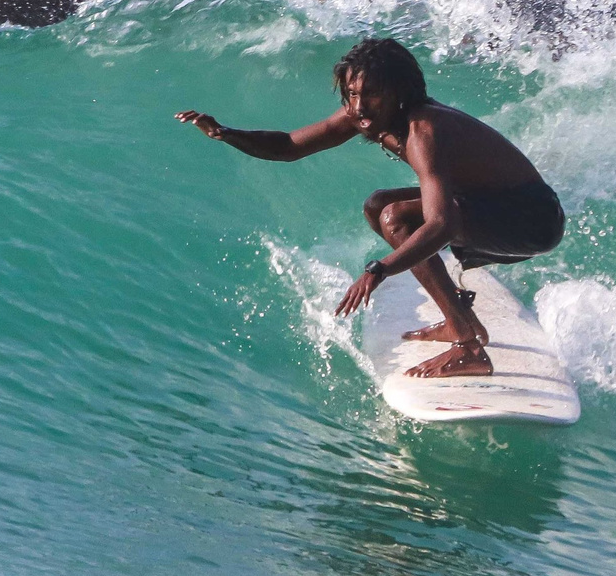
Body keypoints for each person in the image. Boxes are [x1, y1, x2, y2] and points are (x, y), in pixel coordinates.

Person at [179, 37, 564, 379]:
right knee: (379, 204)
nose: (359, 107)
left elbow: (442, 224)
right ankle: (459, 321)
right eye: (351, 94)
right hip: (488, 206)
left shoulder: (423, 131)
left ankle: (468, 346)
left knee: (395, 215)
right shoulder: (365, 115)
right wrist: (224, 133)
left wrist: (379, 269)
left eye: (372, 94)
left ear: (398, 91)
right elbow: (289, 146)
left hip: (531, 221)